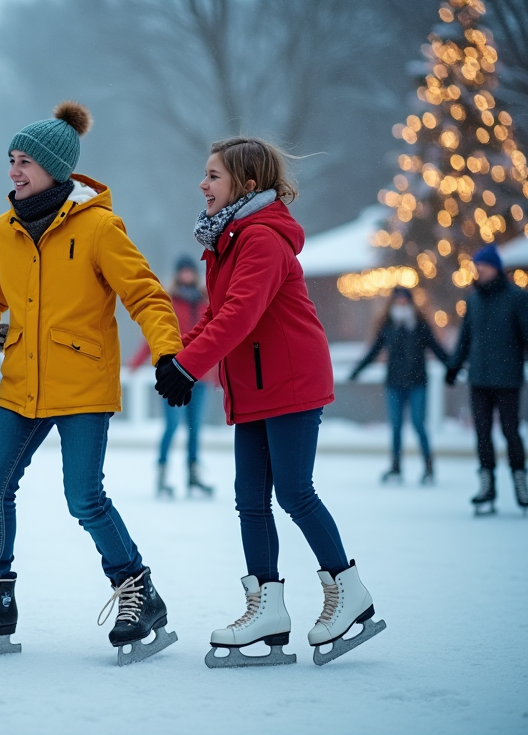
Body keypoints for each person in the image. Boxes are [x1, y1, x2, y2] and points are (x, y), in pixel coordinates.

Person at [0, 102, 183, 664]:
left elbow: (145, 294)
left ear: (55, 168)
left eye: (25, 162)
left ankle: (138, 591)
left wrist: (167, 353)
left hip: (83, 385)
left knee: (83, 498)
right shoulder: (3, 231)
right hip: (21, 385)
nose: (14, 171)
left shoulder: (98, 227)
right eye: (11, 160)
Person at [158, 137, 385, 667]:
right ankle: (267, 608)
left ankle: (348, 591)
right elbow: (217, 314)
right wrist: (179, 359)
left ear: (247, 184)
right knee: (250, 500)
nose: (202, 184)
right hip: (256, 387)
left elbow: (240, 314)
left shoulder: (261, 239)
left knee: (295, 493)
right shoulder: (230, 241)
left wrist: (188, 368)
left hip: (290, 381)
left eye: (213, 175)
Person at [445, 244, 528, 515]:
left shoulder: (517, 298)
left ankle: (520, 482)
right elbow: (465, 338)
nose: (480, 272)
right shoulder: (473, 301)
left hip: (507, 378)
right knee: (482, 434)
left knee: (510, 432)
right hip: (478, 378)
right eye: (477, 268)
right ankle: (487, 486)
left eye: (485, 267)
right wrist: (454, 367)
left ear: (496, 268)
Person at [129, 255, 214, 498]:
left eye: (190, 271)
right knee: (173, 425)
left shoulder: (206, 301)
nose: (187, 275)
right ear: (177, 274)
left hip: (201, 376)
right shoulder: (169, 301)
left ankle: (193, 475)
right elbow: (156, 334)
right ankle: (163, 473)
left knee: (195, 427)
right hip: (175, 372)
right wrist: (136, 363)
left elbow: (215, 336)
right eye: (183, 271)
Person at [349, 286, 448, 484]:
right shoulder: (388, 325)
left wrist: (453, 365)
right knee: (396, 427)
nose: (401, 303)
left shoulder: (420, 325)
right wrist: (358, 370)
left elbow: (437, 349)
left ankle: (428, 467)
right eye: (398, 300)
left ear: (410, 302)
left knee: (419, 425)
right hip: (394, 384)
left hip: (417, 383)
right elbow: (375, 351)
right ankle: (396, 467)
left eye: (404, 300)